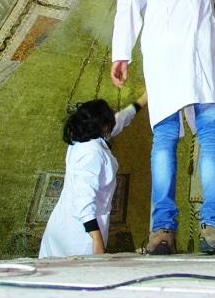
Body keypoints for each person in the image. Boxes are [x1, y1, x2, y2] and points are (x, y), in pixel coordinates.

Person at [110, 0, 215, 255]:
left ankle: (162, 232)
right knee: (210, 136)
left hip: (165, 57)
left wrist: (121, 55)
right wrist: (214, 1)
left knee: (165, 138)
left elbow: (128, 5)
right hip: (203, 56)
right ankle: (214, 225)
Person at [39, 93, 146, 258]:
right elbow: (84, 201)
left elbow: (120, 120)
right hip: (77, 237)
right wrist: (97, 240)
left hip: (63, 229)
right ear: (103, 126)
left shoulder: (82, 141)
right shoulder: (92, 153)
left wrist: (143, 100)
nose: (114, 113)